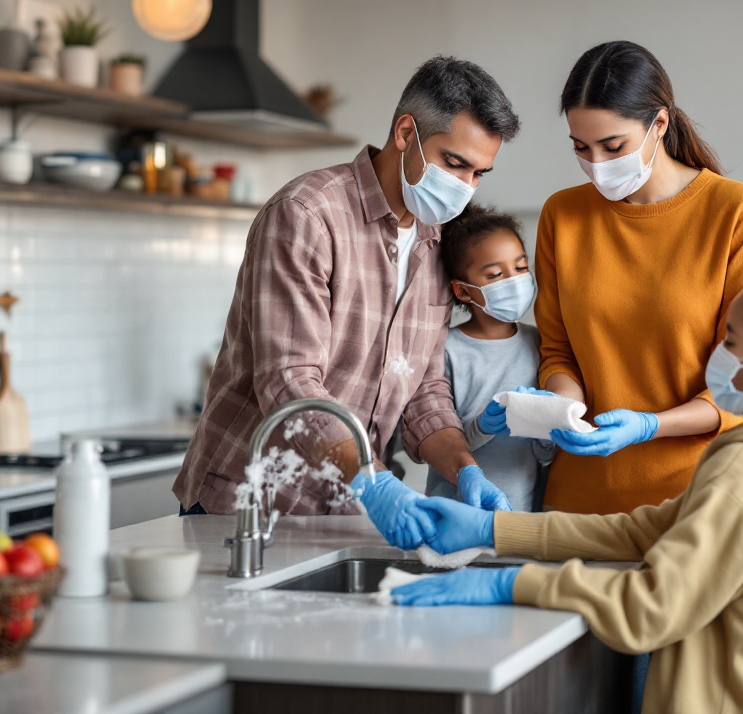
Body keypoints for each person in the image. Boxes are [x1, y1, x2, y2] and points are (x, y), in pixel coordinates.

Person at [387, 232, 743, 714]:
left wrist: (514, 584)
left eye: (732, 341)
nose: (719, 352)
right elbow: (647, 530)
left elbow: (652, 607)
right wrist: (493, 531)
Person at [172, 57, 521, 546]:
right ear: (405, 132)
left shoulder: (436, 239)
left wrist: (466, 469)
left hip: (347, 511)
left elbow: (424, 387)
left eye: (479, 174)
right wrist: (375, 482)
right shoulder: (307, 215)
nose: (464, 188)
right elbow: (289, 383)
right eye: (454, 163)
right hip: (251, 509)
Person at [533, 40, 743, 514]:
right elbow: (558, 351)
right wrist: (559, 408)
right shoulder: (561, 215)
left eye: (613, 146)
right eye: (581, 148)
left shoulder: (735, 212)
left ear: (659, 125)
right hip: (579, 504)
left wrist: (650, 425)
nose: (597, 165)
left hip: (698, 502)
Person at [426, 204, 555, 512]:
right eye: (496, 274)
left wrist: (549, 434)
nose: (514, 280)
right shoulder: (446, 350)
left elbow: (542, 456)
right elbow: (433, 442)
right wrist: (482, 426)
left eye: (521, 268)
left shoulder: (540, 343)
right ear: (462, 291)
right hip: (457, 511)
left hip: (523, 514)